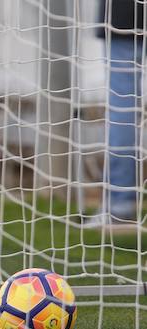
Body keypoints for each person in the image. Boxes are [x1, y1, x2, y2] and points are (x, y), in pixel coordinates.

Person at [92, 0, 145, 226]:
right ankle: (119, 204)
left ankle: (120, 204)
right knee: (122, 111)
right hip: (122, 17)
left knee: (122, 109)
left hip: (123, 14)